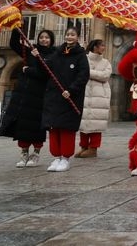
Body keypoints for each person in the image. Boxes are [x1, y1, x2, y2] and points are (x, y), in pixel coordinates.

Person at [35, 26, 89, 173]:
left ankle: (65, 158)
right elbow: (47, 68)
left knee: (66, 128)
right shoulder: (57, 52)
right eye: (68, 34)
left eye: (73, 34)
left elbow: (83, 75)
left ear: (77, 37)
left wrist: (71, 90)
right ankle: (56, 156)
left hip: (70, 97)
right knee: (53, 127)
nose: (69, 37)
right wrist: (38, 57)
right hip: (54, 95)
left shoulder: (80, 55)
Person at [0, 29, 54, 168]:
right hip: (24, 94)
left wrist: (28, 70)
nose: (44, 40)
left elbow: (46, 73)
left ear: (51, 40)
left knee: (36, 126)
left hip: (40, 95)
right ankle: (23, 153)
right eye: (41, 37)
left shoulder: (54, 54)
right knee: (22, 125)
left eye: (47, 37)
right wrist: (17, 27)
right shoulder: (30, 51)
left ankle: (35, 153)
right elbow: (14, 44)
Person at [76, 39, 112, 158]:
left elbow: (105, 76)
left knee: (96, 124)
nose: (104, 47)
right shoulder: (84, 59)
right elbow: (79, 72)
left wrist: (88, 72)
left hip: (99, 96)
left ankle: (93, 148)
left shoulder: (106, 62)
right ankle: (84, 146)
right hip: (85, 93)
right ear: (95, 47)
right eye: (102, 45)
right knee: (84, 121)